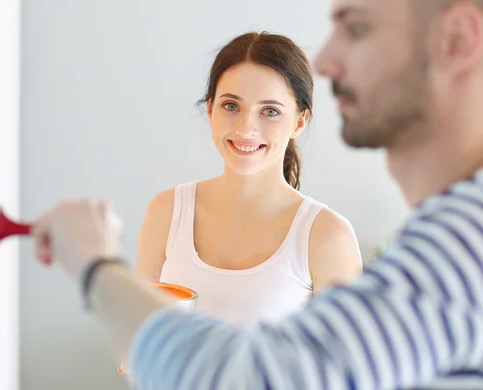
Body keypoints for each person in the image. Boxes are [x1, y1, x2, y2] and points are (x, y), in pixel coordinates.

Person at [32, 0, 483, 388]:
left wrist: (97, 268)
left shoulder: (464, 243)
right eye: (231, 105)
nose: (323, 60)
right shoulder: (449, 238)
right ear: (209, 109)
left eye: (358, 27)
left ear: (458, 40)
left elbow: (249, 379)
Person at [135, 31, 362, 328]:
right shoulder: (166, 212)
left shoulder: (328, 236)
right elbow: (134, 339)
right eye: (231, 106)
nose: (246, 129)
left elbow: (348, 367)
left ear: (299, 121)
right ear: (210, 109)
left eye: (270, 111)